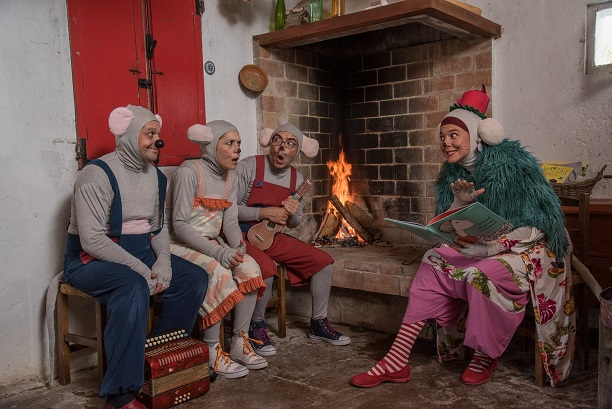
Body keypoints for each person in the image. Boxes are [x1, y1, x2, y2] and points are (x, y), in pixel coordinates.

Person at [350, 86, 575, 388]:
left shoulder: (513, 166)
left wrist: (493, 247)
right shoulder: (449, 175)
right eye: (442, 137)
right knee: (432, 259)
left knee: (482, 273)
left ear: (476, 134)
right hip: (485, 246)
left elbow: (541, 224)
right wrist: (458, 207)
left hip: (533, 247)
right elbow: (451, 230)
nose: (446, 142)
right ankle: (397, 360)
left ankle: (485, 355)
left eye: (454, 135)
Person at [63, 105, 208, 409]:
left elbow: (157, 229)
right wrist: (142, 270)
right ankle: (121, 395)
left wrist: (163, 261)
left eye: (158, 134)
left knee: (193, 278)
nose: (158, 141)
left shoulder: (156, 177)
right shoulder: (96, 175)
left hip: (141, 251)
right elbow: (92, 240)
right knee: (132, 287)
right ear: (128, 135)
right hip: (91, 259)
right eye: (149, 134)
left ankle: (157, 364)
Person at [235, 123, 351, 356]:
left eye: (290, 144)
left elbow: (293, 223)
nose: (282, 147)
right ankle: (256, 325)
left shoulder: (297, 178)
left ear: (296, 151)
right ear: (270, 143)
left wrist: (293, 212)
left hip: (271, 236)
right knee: (265, 269)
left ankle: (318, 324)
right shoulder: (249, 166)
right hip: (240, 233)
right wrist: (263, 212)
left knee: (323, 262)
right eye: (278, 140)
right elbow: (228, 209)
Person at [169, 120, 268, 379]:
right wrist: (218, 254)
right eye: (229, 143)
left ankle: (239, 341)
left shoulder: (230, 177)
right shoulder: (189, 172)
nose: (237, 150)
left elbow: (231, 222)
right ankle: (212, 350)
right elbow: (179, 225)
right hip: (180, 245)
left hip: (212, 244)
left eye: (238, 144)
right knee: (218, 272)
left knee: (249, 266)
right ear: (211, 146)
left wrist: (237, 246)